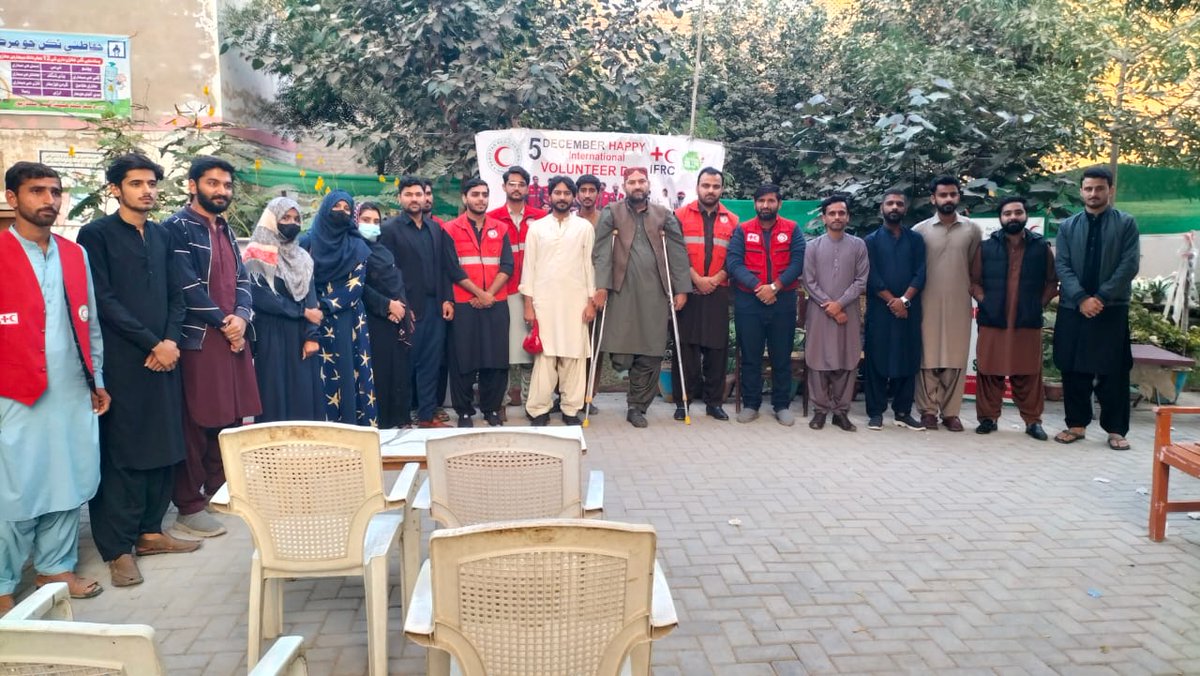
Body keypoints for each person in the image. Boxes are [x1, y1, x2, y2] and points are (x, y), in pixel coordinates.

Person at [77, 154, 198, 590]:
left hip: (164, 357)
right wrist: (152, 343)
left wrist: (170, 342)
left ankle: (150, 532)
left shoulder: (162, 234)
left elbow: (177, 294)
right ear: (115, 189)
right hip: (123, 360)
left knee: (163, 444)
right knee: (123, 452)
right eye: (136, 183)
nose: (147, 191)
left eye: (151, 183)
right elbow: (103, 300)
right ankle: (118, 549)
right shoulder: (96, 235)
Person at [0, 162, 109, 611]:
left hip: (71, 387)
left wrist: (96, 378)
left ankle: (54, 567)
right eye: (37, 191)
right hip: (13, 388)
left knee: (69, 475)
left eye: (55, 191)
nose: (49, 200)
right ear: (12, 198)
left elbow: (91, 323)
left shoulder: (73, 254)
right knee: (15, 486)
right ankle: (3, 583)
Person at [164, 156, 261, 538]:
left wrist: (242, 318)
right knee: (197, 421)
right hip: (199, 339)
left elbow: (242, 278)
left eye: (226, 185)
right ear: (193, 186)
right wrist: (224, 322)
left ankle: (219, 491)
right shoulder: (177, 227)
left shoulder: (224, 227)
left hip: (232, 337)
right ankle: (189, 506)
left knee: (230, 417)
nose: (221, 191)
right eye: (213, 183)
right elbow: (186, 285)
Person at [593, 167, 691, 428]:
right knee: (621, 351)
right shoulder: (611, 212)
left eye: (641, 181)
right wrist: (601, 286)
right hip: (620, 292)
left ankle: (637, 406)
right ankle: (628, 380)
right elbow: (601, 251)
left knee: (650, 349)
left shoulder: (663, 215)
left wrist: (681, 289)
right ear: (624, 185)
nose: (637, 186)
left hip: (655, 293)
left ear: (648, 185)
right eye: (631, 182)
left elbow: (677, 253)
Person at [1053, 167, 1140, 450]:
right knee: (1072, 367)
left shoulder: (1125, 224)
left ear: (1110, 190)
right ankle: (1076, 425)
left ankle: (1116, 429)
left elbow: (1129, 265)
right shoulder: (1068, 227)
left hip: (1111, 307)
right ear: (1081, 191)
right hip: (1073, 307)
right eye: (1088, 188)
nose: (1093, 194)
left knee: (1113, 369)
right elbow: (1062, 265)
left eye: (1099, 188)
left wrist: (1100, 297)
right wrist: (1081, 298)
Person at [970, 196, 1058, 440]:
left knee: (1028, 372)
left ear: (1025, 216)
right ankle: (988, 418)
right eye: (1007, 213)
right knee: (989, 371)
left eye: (1017, 212)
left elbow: (1052, 282)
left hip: (1026, 321)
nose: (1013, 217)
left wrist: (1037, 305)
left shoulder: (1040, 247)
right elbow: (974, 282)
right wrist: (985, 301)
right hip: (993, 319)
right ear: (1001, 218)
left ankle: (1032, 421)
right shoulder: (986, 247)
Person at [380, 177, 457, 428]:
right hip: (407, 309)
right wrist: (401, 304)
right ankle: (401, 417)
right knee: (405, 366)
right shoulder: (389, 229)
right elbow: (387, 271)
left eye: (418, 194)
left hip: (435, 308)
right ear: (400, 198)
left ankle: (426, 416)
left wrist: (447, 299)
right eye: (408, 194)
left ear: (425, 197)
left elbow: (444, 267)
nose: (414, 199)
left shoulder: (435, 229)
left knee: (431, 364)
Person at [726, 184, 805, 426]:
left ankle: (781, 405)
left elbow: (798, 261)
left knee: (781, 356)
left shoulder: (792, 229)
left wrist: (775, 287)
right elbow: (734, 263)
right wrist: (759, 287)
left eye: (771, 201)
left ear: (779, 204)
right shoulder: (742, 230)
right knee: (750, 356)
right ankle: (751, 404)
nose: (765, 205)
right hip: (749, 301)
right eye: (761, 201)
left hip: (783, 301)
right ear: (755, 204)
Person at [521, 176, 597, 426]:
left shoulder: (584, 228)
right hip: (545, 303)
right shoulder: (537, 228)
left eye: (566, 193)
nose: (562, 197)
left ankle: (570, 409)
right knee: (545, 358)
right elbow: (529, 268)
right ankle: (539, 409)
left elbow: (589, 267)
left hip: (576, 302)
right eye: (557, 193)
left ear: (573, 197)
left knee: (574, 357)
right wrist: (528, 305)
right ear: (549, 196)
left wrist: (590, 302)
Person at [242, 197, 324, 423]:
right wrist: (301, 312)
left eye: (296, 219)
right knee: (274, 395)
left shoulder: (303, 257)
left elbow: (311, 299)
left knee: (304, 396)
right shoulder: (255, 254)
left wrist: (312, 336)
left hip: (300, 335)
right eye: (285, 217)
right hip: (271, 334)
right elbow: (261, 298)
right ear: (272, 219)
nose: (292, 223)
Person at [301, 191, 378, 426]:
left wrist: (323, 306)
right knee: (321, 375)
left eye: (347, 208)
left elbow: (356, 286)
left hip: (349, 318)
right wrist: (312, 308)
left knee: (349, 372)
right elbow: (300, 281)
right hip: (313, 320)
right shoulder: (307, 242)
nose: (342, 212)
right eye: (337, 207)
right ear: (326, 209)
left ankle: (353, 427)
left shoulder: (357, 245)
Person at [912, 176, 982, 432]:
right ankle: (928, 411)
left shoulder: (972, 230)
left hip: (959, 303)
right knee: (927, 357)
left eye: (953, 194)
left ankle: (951, 413)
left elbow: (975, 266)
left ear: (958, 196)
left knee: (955, 357)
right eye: (943, 195)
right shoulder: (920, 230)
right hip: (926, 301)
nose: (948, 199)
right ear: (933, 199)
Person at [445, 177, 514, 427]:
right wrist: (478, 293)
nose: (481, 199)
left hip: (496, 303)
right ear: (465, 198)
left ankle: (491, 409)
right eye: (475, 194)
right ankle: (464, 412)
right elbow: (452, 268)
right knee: (464, 360)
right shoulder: (450, 229)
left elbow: (507, 265)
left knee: (495, 360)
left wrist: (489, 295)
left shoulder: (500, 228)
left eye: (485, 194)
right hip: (464, 303)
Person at [672, 167, 738, 422]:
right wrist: (696, 279)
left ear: (722, 189)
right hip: (688, 290)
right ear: (697, 187)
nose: (710, 190)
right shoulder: (680, 215)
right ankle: (683, 402)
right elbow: (676, 253)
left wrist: (716, 279)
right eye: (706, 185)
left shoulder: (732, 220)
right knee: (686, 349)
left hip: (718, 291)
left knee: (717, 350)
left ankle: (714, 403)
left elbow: (735, 256)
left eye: (715, 186)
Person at [803, 195, 869, 432]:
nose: (837, 217)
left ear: (848, 217)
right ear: (824, 218)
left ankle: (841, 412)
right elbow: (809, 281)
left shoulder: (858, 246)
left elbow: (861, 281)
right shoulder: (812, 247)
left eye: (841, 213)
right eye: (832, 213)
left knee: (847, 360)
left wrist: (839, 304)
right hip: (820, 313)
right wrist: (829, 306)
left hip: (848, 312)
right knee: (818, 360)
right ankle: (820, 410)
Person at [863, 189, 926, 431]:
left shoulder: (916, 240)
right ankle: (875, 412)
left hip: (909, 310)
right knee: (876, 359)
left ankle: (902, 412)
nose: (894, 207)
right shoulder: (871, 241)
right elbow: (872, 275)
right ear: (882, 208)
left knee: (908, 357)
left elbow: (921, 272)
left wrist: (905, 300)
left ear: (905, 209)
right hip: (881, 310)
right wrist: (893, 301)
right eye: (890, 203)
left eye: (899, 203)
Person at [488, 167, 546, 414]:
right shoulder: (492, 218)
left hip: (536, 292)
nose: (516, 188)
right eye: (512, 184)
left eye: (521, 184)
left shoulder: (541, 218)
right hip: (504, 292)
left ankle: (530, 401)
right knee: (503, 349)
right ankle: (499, 402)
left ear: (527, 188)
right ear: (504, 187)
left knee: (532, 350)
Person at [358, 201, 414, 429]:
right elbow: (359, 286)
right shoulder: (353, 249)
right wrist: (387, 305)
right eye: (365, 220)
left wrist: (400, 306)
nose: (371, 225)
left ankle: (399, 420)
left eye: (376, 221)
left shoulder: (382, 250)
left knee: (398, 371)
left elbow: (396, 279)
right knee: (379, 372)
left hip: (395, 319)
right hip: (371, 319)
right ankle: (380, 425)